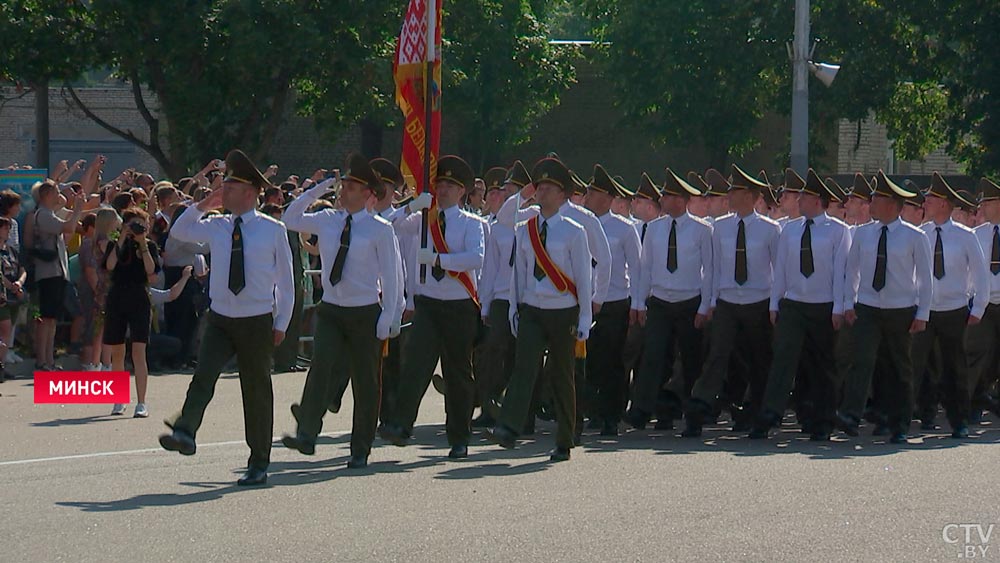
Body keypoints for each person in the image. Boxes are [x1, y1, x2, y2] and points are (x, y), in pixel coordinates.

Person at [158, 149, 295, 487]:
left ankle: (259, 461)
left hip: (256, 319)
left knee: (256, 391)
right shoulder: (217, 225)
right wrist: (205, 202)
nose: (223, 192)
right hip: (220, 316)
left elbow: (286, 280)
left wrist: (282, 323)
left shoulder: (272, 229)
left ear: (250, 193)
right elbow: (180, 232)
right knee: (203, 375)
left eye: (230, 188)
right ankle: (185, 431)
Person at [280, 154, 403, 469]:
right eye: (344, 185)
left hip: (365, 312)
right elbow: (290, 219)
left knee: (365, 381)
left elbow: (392, 276)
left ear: (368, 195)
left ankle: (360, 447)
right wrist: (316, 190)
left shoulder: (380, 229)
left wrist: (390, 316)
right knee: (320, 368)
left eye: (351, 187)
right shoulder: (327, 219)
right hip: (333, 310)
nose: (344, 190)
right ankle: (307, 432)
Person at [487, 157, 594, 461]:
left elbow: (584, 278)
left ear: (563, 195)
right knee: (524, 367)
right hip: (533, 308)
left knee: (562, 374)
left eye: (550, 187)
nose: (543, 191)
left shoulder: (574, 231)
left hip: (564, 311)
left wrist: (585, 316)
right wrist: (513, 307)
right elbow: (519, 272)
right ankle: (509, 426)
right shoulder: (525, 228)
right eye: (540, 186)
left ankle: (564, 437)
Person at [378, 155, 485, 459]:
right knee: (415, 366)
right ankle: (401, 425)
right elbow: (388, 226)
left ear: (463, 191)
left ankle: (459, 437)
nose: (444, 189)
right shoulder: (423, 218)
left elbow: (475, 258)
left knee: (457, 373)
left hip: (459, 306)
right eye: (441, 183)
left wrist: (439, 260)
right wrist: (412, 205)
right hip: (428, 304)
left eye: (451, 184)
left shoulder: (471, 223)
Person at [750, 169, 851, 441]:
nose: (799, 201)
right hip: (793, 304)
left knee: (822, 365)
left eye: (804, 197)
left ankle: (823, 420)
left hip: (824, 305)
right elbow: (780, 268)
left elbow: (842, 271)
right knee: (783, 358)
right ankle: (769, 414)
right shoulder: (789, 230)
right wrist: (775, 302)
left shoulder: (838, 231)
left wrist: (839, 308)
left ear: (818, 200)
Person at [683, 165, 780, 437]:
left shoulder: (770, 230)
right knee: (718, 353)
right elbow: (713, 268)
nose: (729, 196)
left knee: (759, 359)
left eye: (735, 192)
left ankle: (757, 410)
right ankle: (700, 406)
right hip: (726, 301)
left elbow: (779, 270)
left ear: (750, 196)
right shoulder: (720, 228)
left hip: (758, 301)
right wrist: (709, 302)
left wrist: (774, 305)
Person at [838, 171, 933, 444]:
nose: (872, 204)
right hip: (868, 306)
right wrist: (848, 303)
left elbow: (925, 279)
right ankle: (850, 414)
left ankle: (899, 423)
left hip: (900, 309)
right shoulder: (864, 234)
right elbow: (852, 271)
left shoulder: (914, 236)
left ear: (892, 203)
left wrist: (922, 314)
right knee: (862, 361)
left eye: (877, 199)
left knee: (899, 368)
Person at [627, 168, 713, 429]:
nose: (662, 199)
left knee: (690, 361)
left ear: (680, 200)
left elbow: (709, 270)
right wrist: (639, 303)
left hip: (689, 302)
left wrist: (705, 305)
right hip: (661, 301)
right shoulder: (654, 229)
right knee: (653, 355)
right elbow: (645, 268)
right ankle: (644, 409)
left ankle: (692, 414)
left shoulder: (702, 230)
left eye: (667, 195)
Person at [910, 173, 989, 438]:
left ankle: (959, 420)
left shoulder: (965, 236)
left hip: (954, 309)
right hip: (925, 308)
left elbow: (980, 274)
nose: (927, 202)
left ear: (944, 203)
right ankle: (924, 413)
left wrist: (978, 308)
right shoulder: (921, 234)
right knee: (920, 364)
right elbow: (913, 272)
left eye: (931, 198)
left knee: (955, 367)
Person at [582, 164, 641, 435]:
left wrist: (638, 304)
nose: (587, 197)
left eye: (592, 193)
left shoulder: (623, 228)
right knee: (589, 359)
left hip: (615, 301)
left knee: (613, 360)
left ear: (606, 197)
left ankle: (612, 414)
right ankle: (592, 411)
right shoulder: (578, 225)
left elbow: (637, 268)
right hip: (585, 301)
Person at [104, 208, 161, 418]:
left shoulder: (150, 246)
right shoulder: (116, 245)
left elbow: (150, 270)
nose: (137, 228)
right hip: (117, 296)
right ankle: (119, 399)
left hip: (139, 297)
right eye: (133, 224)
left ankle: (142, 402)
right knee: (117, 352)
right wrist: (121, 239)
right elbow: (109, 266)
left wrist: (143, 242)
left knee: (139, 351)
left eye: (141, 225)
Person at [30, 180, 87, 371]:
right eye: (54, 193)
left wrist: (71, 200)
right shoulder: (44, 215)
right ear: (46, 195)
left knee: (52, 319)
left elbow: (63, 207)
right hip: (48, 273)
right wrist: (79, 208)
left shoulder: (51, 213)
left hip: (58, 272)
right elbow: (69, 227)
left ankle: (49, 360)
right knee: (46, 318)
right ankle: (42, 360)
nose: (58, 196)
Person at [0, 217, 26, 381]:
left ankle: (2, 366)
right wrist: (9, 286)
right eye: (4, 228)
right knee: (5, 328)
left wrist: (19, 283)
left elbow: (23, 269)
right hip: (3, 294)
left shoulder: (11, 250)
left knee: (7, 332)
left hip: (13, 295)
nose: (7, 231)